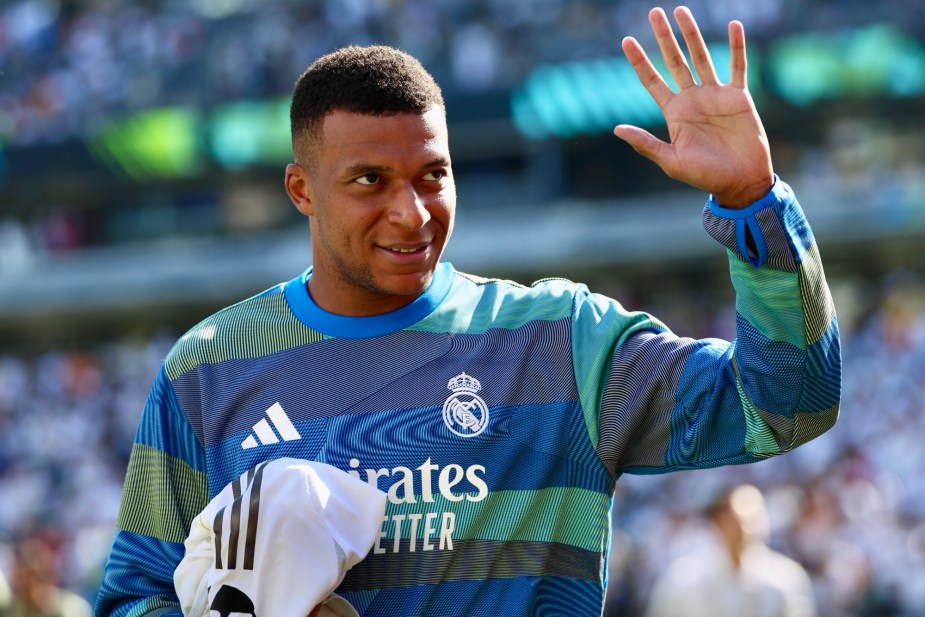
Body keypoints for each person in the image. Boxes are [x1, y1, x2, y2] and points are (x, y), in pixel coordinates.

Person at [94, 5, 842, 616]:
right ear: (300, 190)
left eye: (433, 174)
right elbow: (133, 597)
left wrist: (753, 205)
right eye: (368, 180)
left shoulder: (561, 341)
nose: (411, 212)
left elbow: (785, 405)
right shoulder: (211, 364)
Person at [645, 484, 818, 617]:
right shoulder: (682, 578)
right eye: (734, 521)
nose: (744, 529)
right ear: (717, 523)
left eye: (752, 519)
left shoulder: (786, 577)